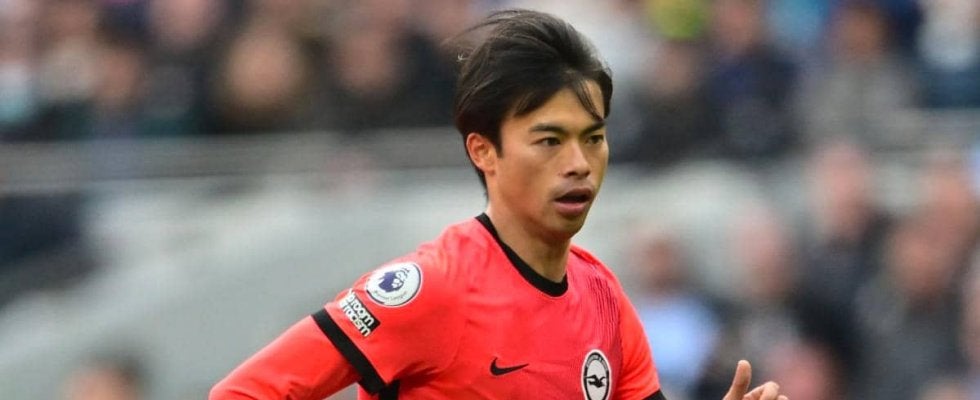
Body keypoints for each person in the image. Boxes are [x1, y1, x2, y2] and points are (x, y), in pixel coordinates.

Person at [210, 9, 786, 400]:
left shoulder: (605, 298)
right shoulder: (433, 288)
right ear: (484, 151)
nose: (579, 163)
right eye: (549, 141)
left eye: (593, 137)